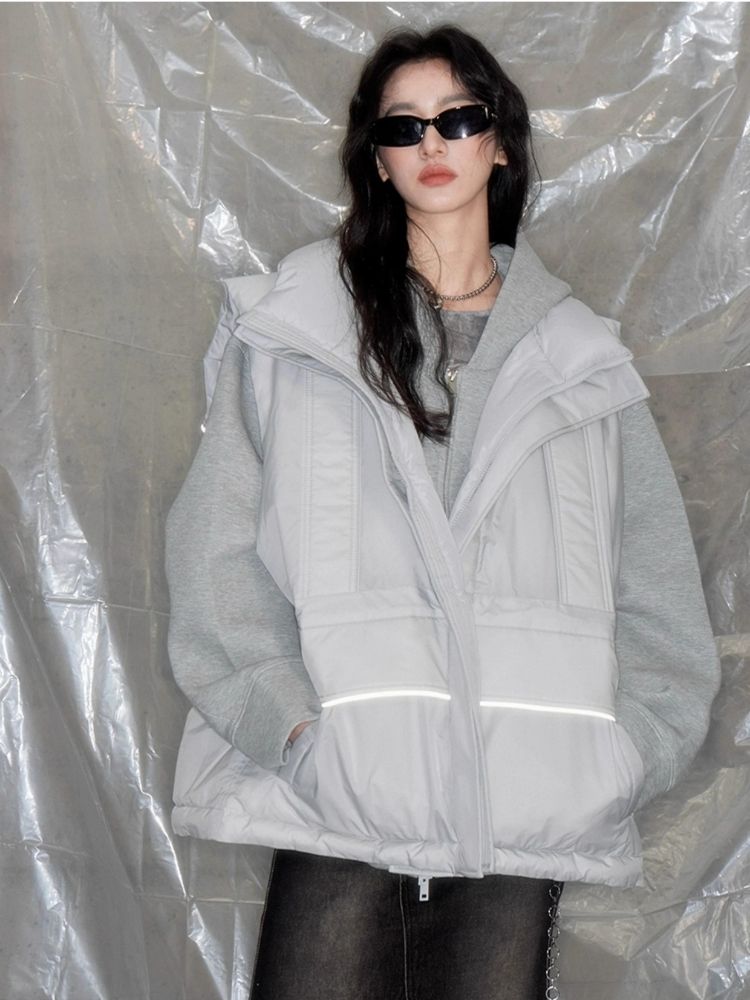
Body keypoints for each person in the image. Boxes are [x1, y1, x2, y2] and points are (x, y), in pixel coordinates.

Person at [165, 24, 720, 1000]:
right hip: (338, 804)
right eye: (403, 126)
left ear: (499, 142)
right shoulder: (293, 335)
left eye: (458, 119)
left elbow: (659, 591)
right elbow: (215, 557)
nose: (431, 143)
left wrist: (621, 756)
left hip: (522, 813)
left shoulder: (585, 365)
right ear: (374, 157)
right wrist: (294, 732)